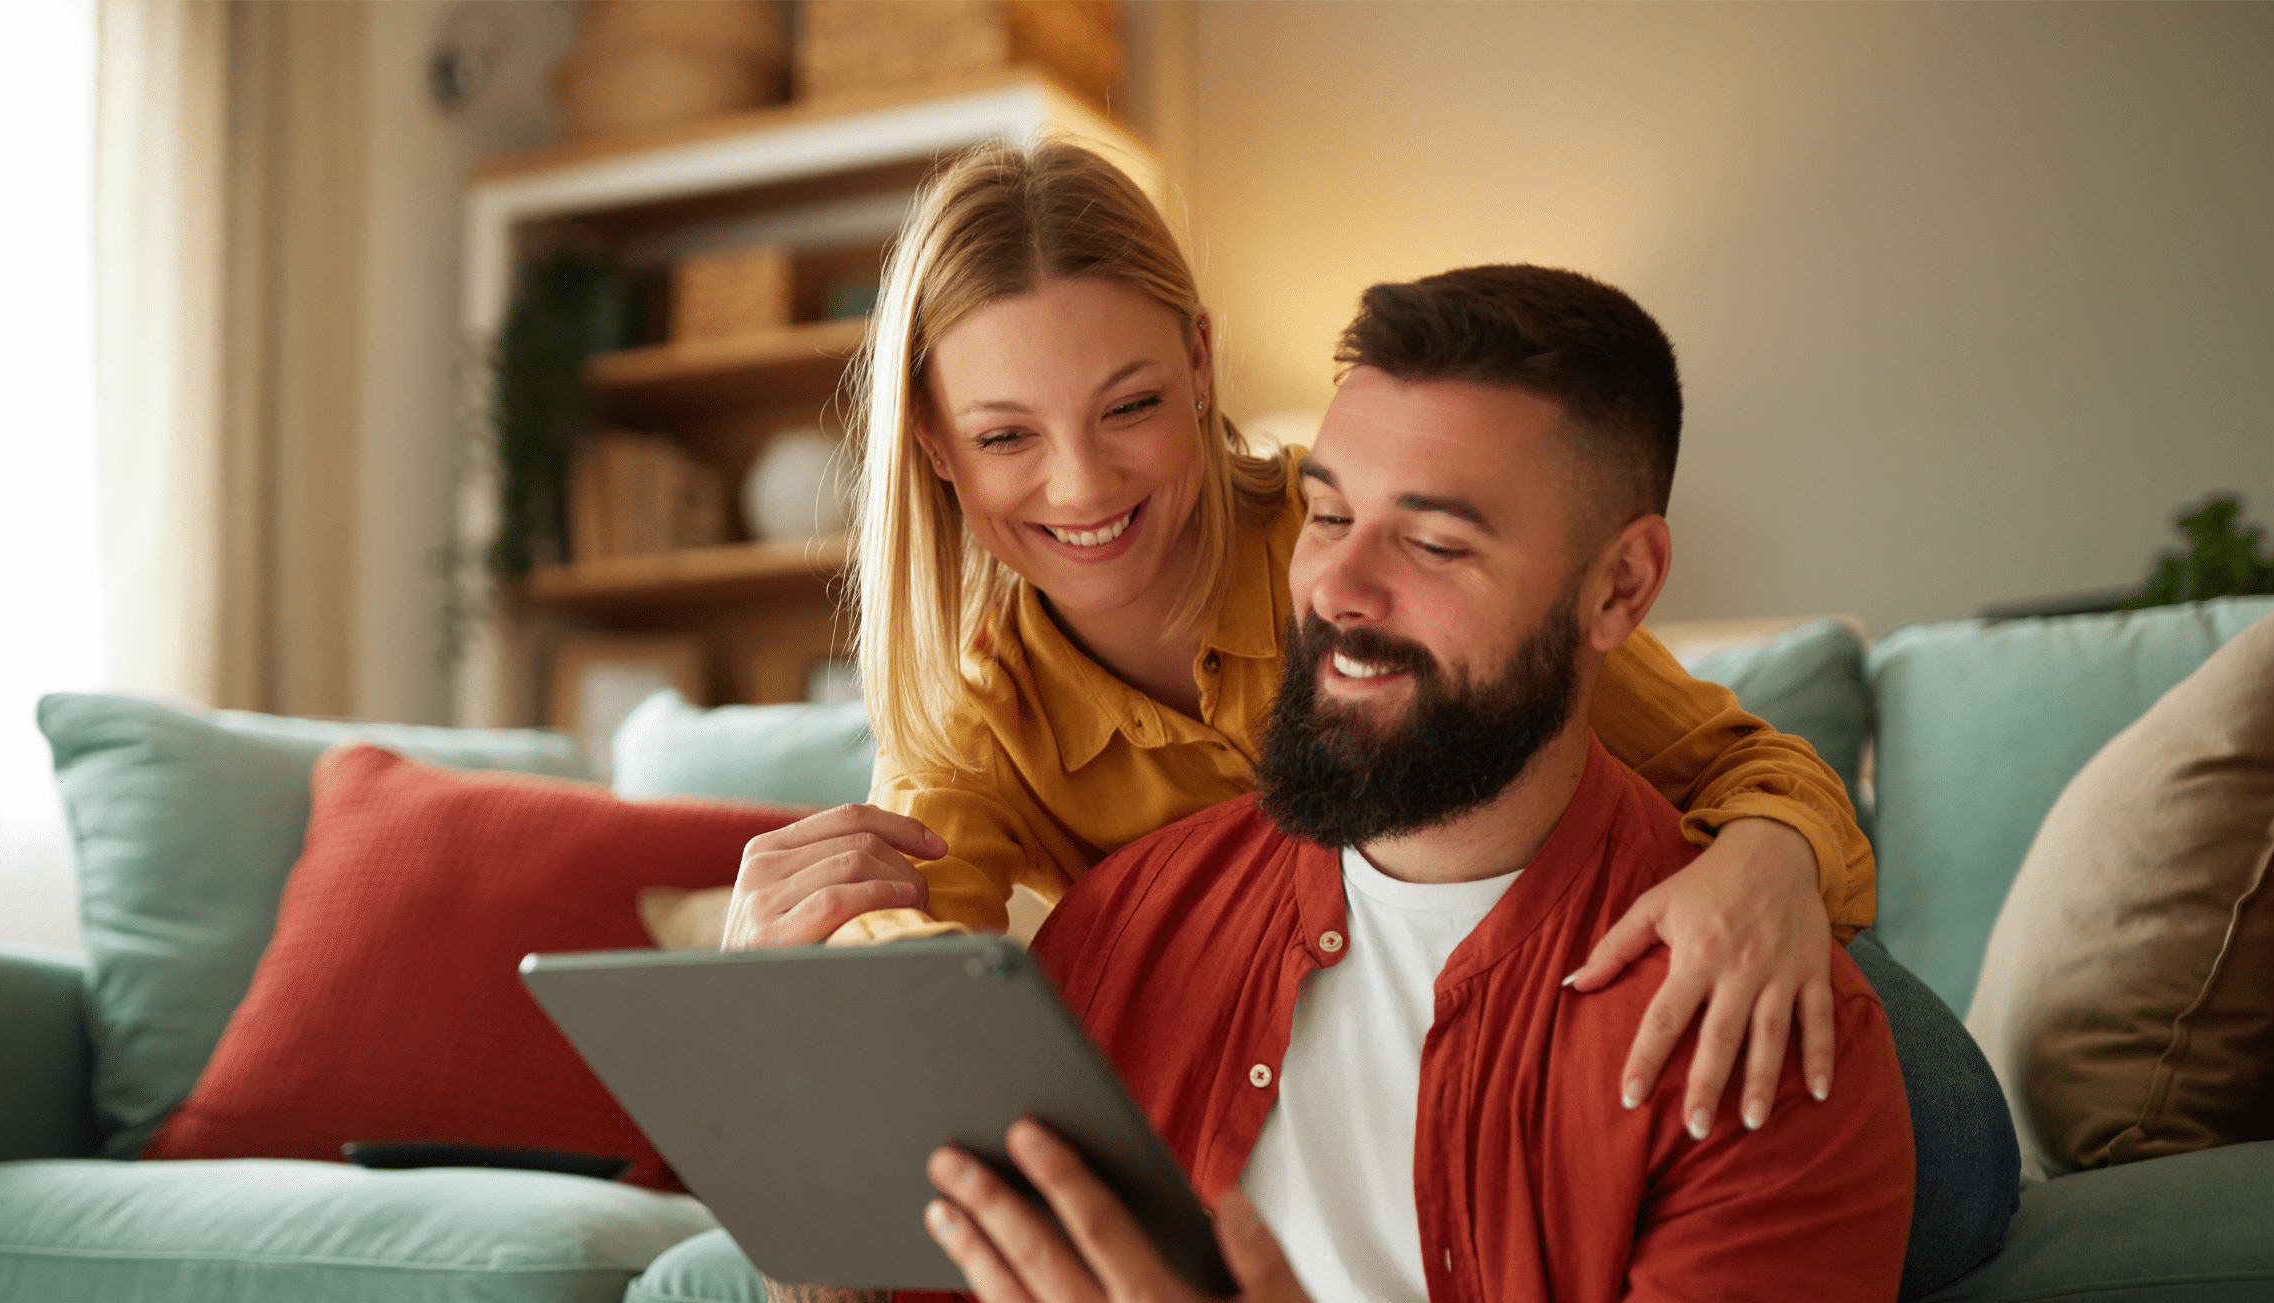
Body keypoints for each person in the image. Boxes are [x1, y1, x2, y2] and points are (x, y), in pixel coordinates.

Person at [732, 265, 1913, 1303]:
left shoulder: (1745, 1001)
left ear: (1618, 587)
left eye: (1438, 541)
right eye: (1331, 513)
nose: (1338, 588)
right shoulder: (1122, 932)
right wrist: (767, 1080)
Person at [726, 137, 1867, 1149]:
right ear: (934, 443)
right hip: (1337, 1114)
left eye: (1129, 407)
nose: (1081, 484)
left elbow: (1755, 772)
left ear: (1200, 363)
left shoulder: (1360, 561)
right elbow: (919, 984)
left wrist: (1771, 859)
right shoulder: (973, 712)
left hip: (1593, 1012)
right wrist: (798, 981)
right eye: (1006, 434)